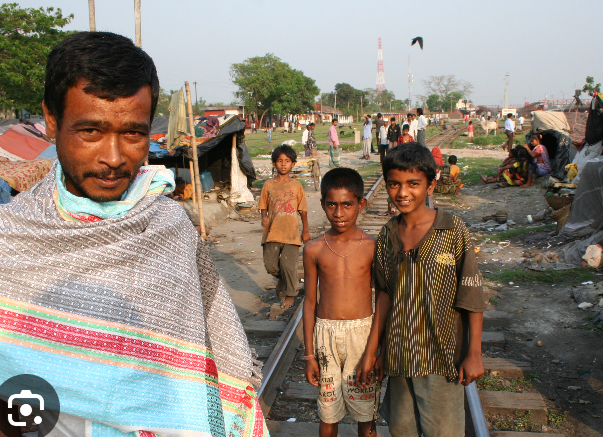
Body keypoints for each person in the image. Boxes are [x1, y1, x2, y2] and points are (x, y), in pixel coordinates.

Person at [0, 31, 268, 437]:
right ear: (51, 120)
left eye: (133, 134)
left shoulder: (168, 228)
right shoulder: (12, 236)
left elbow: (208, 352)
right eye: (90, 132)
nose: (113, 157)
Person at [355, 143, 485, 437]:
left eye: (413, 184)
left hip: (441, 357)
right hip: (401, 356)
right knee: (402, 429)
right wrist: (373, 351)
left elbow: (472, 295)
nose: (403, 193)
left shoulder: (452, 229)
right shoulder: (388, 234)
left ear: (430, 184)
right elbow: (385, 295)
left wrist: (474, 352)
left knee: (443, 431)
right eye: (394, 184)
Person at [303, 168, 378, 437]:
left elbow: (382, 300)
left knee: (366, 413)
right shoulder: (314, 249)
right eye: (332, 205)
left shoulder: (372, 247)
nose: (339, 213)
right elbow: (310, 301)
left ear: (361, 204)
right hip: (326, 337)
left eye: (347, 204)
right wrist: (309, 355)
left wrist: (376, 349)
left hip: (363, 334)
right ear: (323, 205)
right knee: (328, 412)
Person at [259, 145, 311, 309]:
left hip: (292, 234)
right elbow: (263, 205)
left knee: (289, 265)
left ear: (293, 164)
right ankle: (282, 279)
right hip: (272, 232)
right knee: (271, 266)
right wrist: (264, 217)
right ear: (274, 163)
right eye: (280, 161)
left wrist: (306, 230)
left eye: (287, 161)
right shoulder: (268, 185)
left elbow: (303, 210)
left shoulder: (297, 186)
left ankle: (290, 295)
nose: (283, 164)